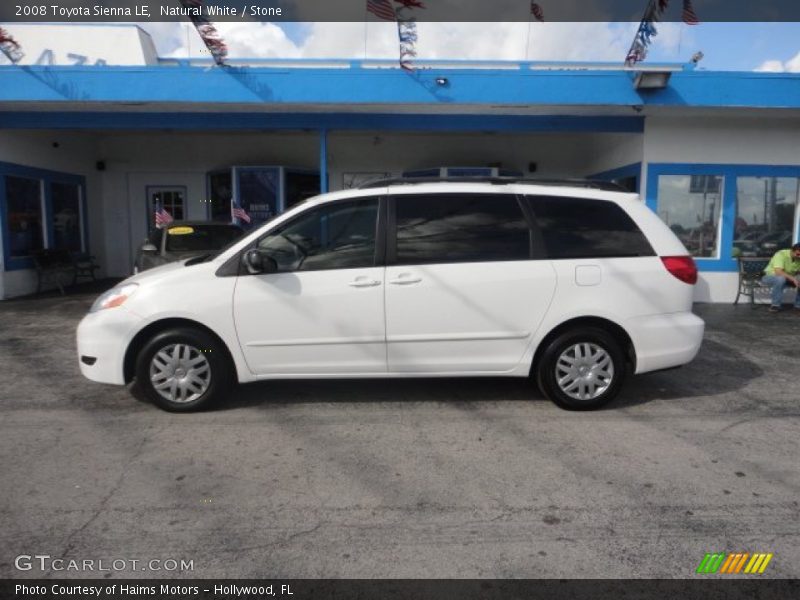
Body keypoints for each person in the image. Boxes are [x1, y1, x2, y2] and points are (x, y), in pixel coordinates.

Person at [762, 243, 800, 312]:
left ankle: (798, 305)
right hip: (770, 277)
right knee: (780, 279)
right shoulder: (781, 254)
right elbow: (778, 272)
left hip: (788, 278)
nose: (799, 256)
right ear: (792, 250)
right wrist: (793, 279)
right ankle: (775, 305)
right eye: (798, 254)